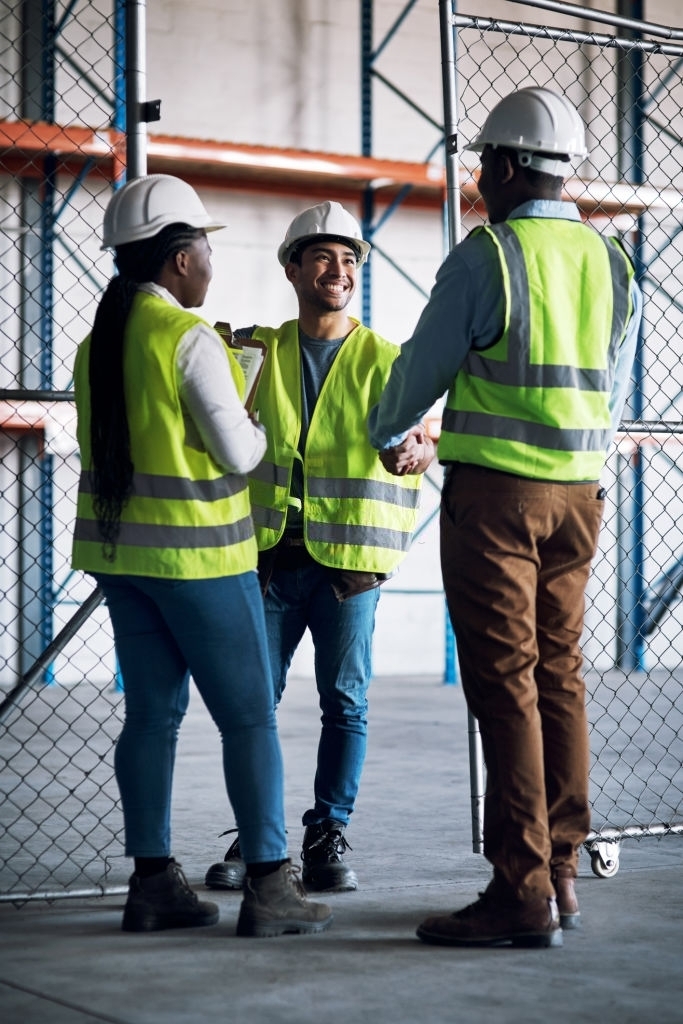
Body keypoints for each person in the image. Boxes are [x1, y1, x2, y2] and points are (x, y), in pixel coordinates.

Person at [368, 87, 642, 948]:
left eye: (484, 161)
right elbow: (607, 386)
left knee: (505, 685)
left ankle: (517, 891)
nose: (478, 177)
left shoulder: (488, 254)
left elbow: (422, 365)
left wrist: (388, 432)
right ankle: (560, 872)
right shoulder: (611, 263)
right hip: (580, 498)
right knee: (558, 677)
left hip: (496, 505)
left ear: (511, 166)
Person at [71, 173, 332, 938]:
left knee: (150, 716)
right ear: (180, 260)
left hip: (124, 563)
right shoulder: (189, 339)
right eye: (204, 251)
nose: (210, 266)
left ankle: (152, 883)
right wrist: (248, 414)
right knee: (249, 718)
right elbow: (240, 452)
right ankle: (269, 887)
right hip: (201, 563)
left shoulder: (98, 343)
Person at [204, 200, 433, 894]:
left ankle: (327, 833)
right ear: (291, 267)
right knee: (252, 702)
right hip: (267, 559)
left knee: (345, 702)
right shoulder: (253, 349)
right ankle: (263, 838)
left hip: (348, 567)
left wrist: (416, 454)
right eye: (324, 257)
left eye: (349, 260)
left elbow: (419, 441)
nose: (338, 271)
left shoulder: (383, 357)